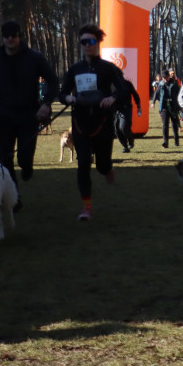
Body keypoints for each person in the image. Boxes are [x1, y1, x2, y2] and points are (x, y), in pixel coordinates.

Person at [0, 20, 58, 211]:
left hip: (29, 114)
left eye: (14, 35)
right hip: (4, 114)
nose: (10, 38)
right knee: (5, 160)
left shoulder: (34, 57)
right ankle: (15, 198)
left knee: (24, 158)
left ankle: (27, 168)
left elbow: (53, 81)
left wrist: (46, 103)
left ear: (20, 36)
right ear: (3, 37)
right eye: (7, 35)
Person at [59, 24, 127, 221]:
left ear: (97, 43)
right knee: (83, 164)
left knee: (102, 165)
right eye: (83, 42)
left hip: (103, 123)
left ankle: (107, 169)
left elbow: (123, 91)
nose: (87, 45)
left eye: (91, 42)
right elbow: (62, 93)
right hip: (80, 124)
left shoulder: (108, 68)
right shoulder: (74, 69)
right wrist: (68, 99)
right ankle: (86, 207)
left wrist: (112, 98)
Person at [113, 72, 142, 153]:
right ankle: (125, 146)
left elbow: (135, 95)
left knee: (123, 127)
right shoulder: (112, 85)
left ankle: (130, 139)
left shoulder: (127, 84)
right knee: (116, 130)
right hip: (115, 110)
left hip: (126, 109)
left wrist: (138, 106)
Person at [153, 68, 181, 148]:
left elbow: (179, 94)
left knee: (174, 124)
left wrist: (179, 105)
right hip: (164, 106)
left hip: (173, 106)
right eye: (163, 78)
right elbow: (156, 93)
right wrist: (153, 103)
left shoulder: (174, 83)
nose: (165, 79)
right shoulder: (161, 84)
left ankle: (176, 141)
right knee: (165, 124)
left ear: (169, 76)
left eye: (166, 77)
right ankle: (165, 142)